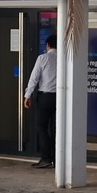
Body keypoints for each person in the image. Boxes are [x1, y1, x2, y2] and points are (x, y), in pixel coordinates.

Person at [24, 34, 57, 168]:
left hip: (45, 97)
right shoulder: (65, 58)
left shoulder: (43, 58)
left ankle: (45, 158)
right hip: (60, 98)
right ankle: (57, 158)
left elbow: (34, 78)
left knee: (41, 127)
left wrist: (27, 95)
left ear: (47, 45)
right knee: (56, 129)